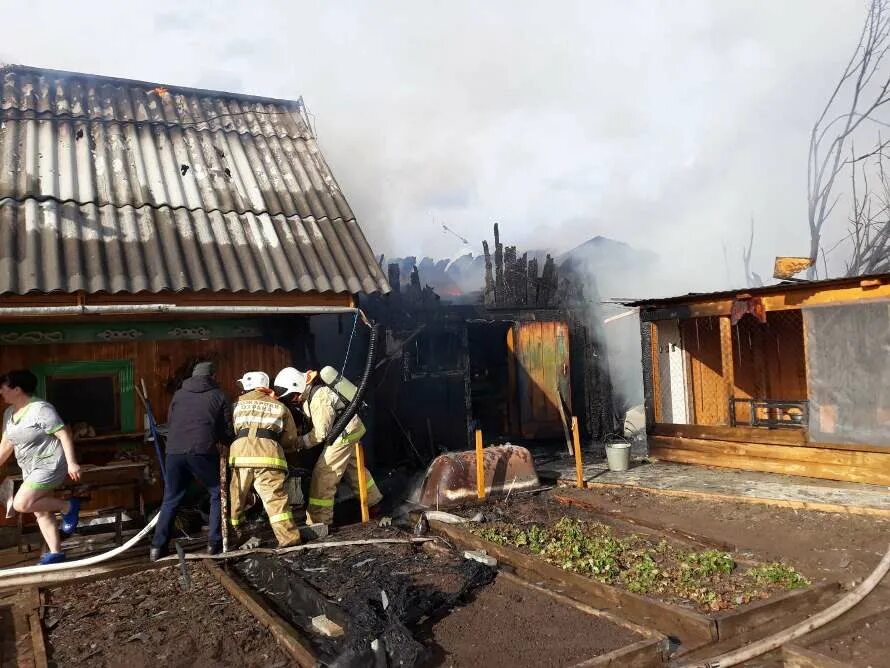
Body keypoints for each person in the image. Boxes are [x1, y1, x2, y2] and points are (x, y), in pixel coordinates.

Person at [273, 367, 382, 527]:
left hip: (344, 432)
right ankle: (374, 505)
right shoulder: (310, 397)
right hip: (348, 429)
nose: (293, 400)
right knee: (354, 470)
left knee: (324, 474)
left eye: (291, 396)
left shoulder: (319, 398)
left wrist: (297, 443)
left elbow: (320, 433)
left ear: (297, 387)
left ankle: (320, 521)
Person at [150, 361, 234, 561]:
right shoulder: (219, 395)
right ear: (212, 376)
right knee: (216, 492)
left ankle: (157, 547)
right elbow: (226, 429)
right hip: (201, 450)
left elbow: (171, 422)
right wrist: (228, 441)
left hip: (174, 451)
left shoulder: (179, 394)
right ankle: (214, 543)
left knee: (171, 498)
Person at [0, 370, 82, 565]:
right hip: (30, 467)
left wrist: (72, 462)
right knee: (41, 511)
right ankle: (56, 553)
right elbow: (6, 445)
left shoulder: (40, 409)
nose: (0, 391)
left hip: (50, 464)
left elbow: (63, 434)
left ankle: (68, 506)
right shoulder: (9, 413)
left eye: (3, 387)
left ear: (17, 389)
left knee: (22, 504)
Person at [229, 371, 302, 547]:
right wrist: (275, 443)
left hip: (241, 456)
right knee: (275, 501)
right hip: (269, 458)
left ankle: (236, 535)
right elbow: (291, 438)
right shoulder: (279, 406)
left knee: (236, 497)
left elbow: (233, 429)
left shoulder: (236, 404)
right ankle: (289, 539)